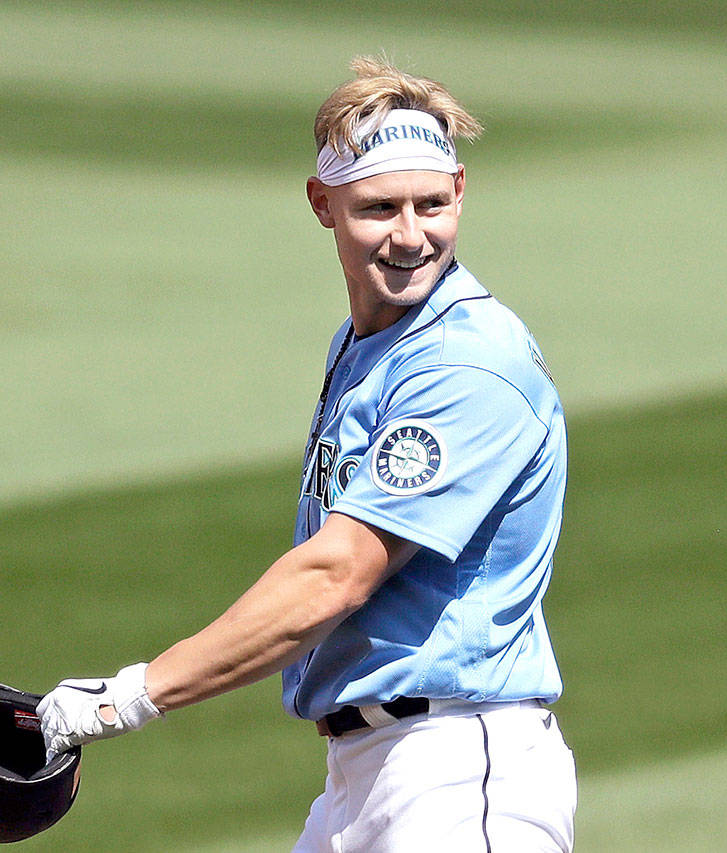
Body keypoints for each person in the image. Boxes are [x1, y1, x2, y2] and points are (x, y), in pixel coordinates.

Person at [38, 56, 576, 852]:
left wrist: (134, 694)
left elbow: (337, 572)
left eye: (432, 204)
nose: (410, 234)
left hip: (459, 774)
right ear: (323, 205)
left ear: (460, 192)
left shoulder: (466, 366)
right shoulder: (371, 344)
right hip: (371, 774)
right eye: (378, 208)